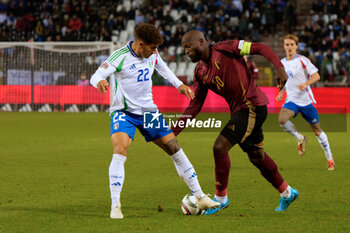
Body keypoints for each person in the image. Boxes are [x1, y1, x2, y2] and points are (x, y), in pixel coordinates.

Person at [90, 24, 220, 219]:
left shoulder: (152, 53)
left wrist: (179, 85)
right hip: (124, 112)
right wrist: (100, 81)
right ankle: (115, 206)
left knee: (174, 148)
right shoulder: (119, 57)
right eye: (151, 48)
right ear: (140, 45)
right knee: (120, 149)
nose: (154, 52)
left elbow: (163, 67)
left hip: (149, 112)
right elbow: (96, 75)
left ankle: (199, 195)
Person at [172, 30, 298, 215]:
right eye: (184, 49)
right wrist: (172, 131)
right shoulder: (200, 72)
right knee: (256, 156)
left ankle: (221, 199)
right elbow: (195, 105)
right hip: (239, 111)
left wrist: (279, 67)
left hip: (251, 105)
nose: (187, 52)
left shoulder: (227, 48)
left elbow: (260, 48)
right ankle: (287, 192)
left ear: (201, 41)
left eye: (189, 47)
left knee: (219, 147)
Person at [276, 34, 335, 170]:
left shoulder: (303, 60)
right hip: (292, 101)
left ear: (296, 46)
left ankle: (329, 157)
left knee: (317, 132)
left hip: (306, 102)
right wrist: (280, 92)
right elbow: (283, 81)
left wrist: (306, 84)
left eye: (292, 45)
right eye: (287, 45)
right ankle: (300, 138)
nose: (290, 47)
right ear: (284, 46)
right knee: (282, 120)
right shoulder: (281, 63)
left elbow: (316, 76)